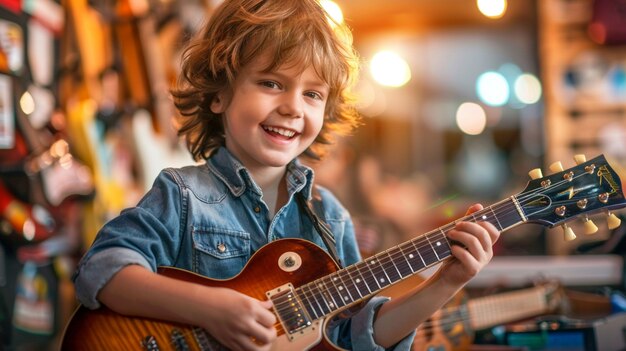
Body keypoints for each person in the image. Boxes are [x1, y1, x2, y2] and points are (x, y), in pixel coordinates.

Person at [72, 0, 500, 350]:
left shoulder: (328, 217)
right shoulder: (184, 194)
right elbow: (103, 271)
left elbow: (354, 337)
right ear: (219, 94)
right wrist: (211, 308)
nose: (294, 107)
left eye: (312, 94)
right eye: (272, 84)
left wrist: (446, 282)